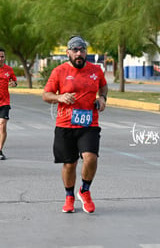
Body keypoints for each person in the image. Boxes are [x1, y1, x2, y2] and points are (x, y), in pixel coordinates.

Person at [43, 36, 108, 213]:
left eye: (82, 50)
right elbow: (46, 95)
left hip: (89, 123)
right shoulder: (59, 71)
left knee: (91, 157)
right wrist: (59, 97)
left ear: (86, 51)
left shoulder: (96, 70)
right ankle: (69, 196)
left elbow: (103, 86)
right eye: (75, 50)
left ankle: (85, 191)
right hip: (65, 124)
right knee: (69, 164)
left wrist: (102, 98)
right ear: (68, 53)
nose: (79, 53)